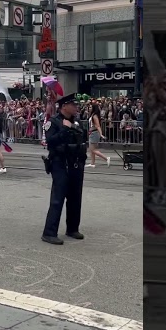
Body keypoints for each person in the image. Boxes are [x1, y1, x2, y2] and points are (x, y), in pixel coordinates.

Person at [41, 93, 89, 245]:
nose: (76, 107)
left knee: (75, 198)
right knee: (58, 199)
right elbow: (50, 142)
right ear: (64, 106)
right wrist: (64, 130)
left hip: (76, 163)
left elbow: (84, 140)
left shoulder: (78, 122)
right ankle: (49, 232)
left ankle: (72, 228)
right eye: (73, 105)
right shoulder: (54, 122)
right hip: (60, 163)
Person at [87, 102, 112, 167]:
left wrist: (101, 134)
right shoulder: (92, 115)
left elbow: (98, 126)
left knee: (93, 149)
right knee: (91, 149)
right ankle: (92, 163)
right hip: (92, 132)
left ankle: (106, 158)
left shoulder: (94, 116)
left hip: (94, 133)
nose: (89, 108)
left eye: (90, 107)